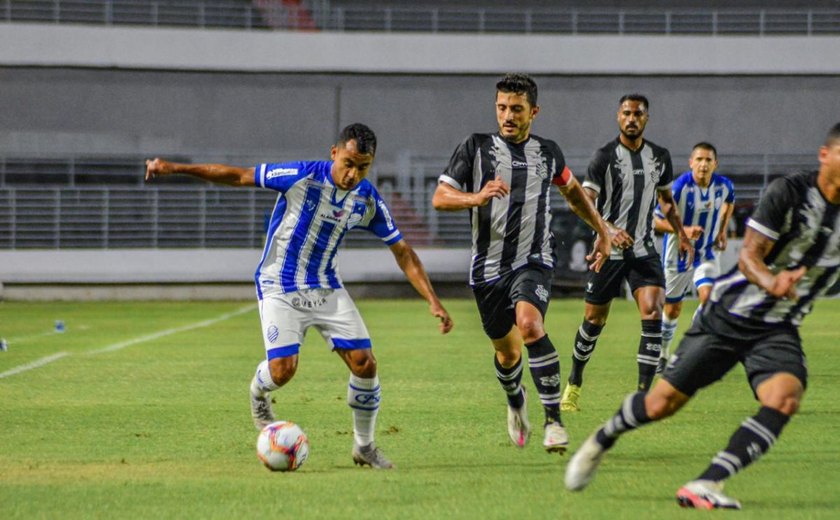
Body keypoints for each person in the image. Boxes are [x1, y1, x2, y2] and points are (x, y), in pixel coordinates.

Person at [145, 123, 454, 470]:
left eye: (363, 167)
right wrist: (175, 168)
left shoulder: (366, 198)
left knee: (365, 363)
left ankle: (364, 446)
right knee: (283, 370)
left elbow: (403, 251)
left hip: (326, 286)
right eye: (348, 163)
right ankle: (258, 393)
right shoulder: (301, 176)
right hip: (279, 284)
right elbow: (238, 176)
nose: (353, 174)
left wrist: (433, 300)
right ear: (334, 153)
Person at [565, 122, 840, 509]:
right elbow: (749, 258)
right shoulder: (791, 193)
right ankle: (602, 439)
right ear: (825, 155)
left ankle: (708, 482)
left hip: (779, 326)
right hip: (730, 314)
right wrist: (772, 282)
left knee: (786, 397)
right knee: (661, 404)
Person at [432, 73, 611, 454]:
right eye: (501, 108)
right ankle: (516, 401)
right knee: (507, 353)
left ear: (534, 111)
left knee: (530, 325)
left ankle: (554, 422)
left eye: (516, 108)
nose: (507, 115)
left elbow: (574, 193)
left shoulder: (548, 152)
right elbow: (441, 197)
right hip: (487, 269)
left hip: (534, 259)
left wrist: (603, 230)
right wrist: (476, 197)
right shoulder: (475, 147)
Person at [559, 94, 692, 412]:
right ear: (618, 117)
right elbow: (580, 201)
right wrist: (606, 229)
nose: (632, 118)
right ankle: (574, 383)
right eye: (626, 113)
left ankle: (643, 396)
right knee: (594, 320)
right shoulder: (604, 157)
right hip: (609, 254)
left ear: (647, 118)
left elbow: (667, 202)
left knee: (652, 312)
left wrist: (682, 234)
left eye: (638, 114)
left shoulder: (660, 156)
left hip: (644, 251)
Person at [654, 142, 735, 373]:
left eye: (708, 160)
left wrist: (722, 230)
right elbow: (655, 220)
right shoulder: (678, 187)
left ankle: (689, 349)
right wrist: (683, 232)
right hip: (677, 256)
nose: (703, 164)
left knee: (709, 300)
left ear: (715, 164)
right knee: (672, 311)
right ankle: (662, 354)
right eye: (699, 159)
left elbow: (729, 201)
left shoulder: (724, 186)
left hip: (706, 253)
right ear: (691, 163)